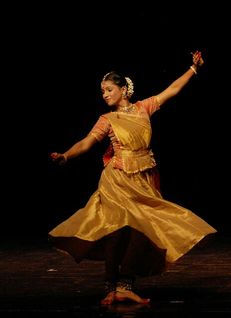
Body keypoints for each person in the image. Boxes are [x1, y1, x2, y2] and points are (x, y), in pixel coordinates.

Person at [49, 50, 217, 305]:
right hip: (117, 179)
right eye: (102, 91)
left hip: (143, 179)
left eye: (108, 89)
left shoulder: (143, 109)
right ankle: (110, 286)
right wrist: (66, 156)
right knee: (116, 231)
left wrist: (193, 69)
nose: (104, 94)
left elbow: (172, 90)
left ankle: (125, 286)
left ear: (123, 89)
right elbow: (86, 143)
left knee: (139, 233)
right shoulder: (107, 119)